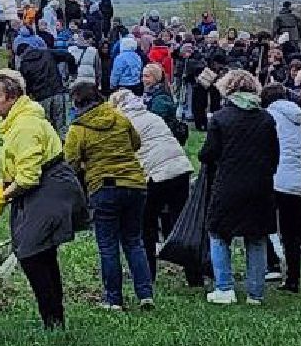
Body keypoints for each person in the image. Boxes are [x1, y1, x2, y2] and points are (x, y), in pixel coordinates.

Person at [0, 69, 88, 330]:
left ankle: (52, 319)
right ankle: (54, 320)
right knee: (41, 252)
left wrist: (4, 196)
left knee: (31, 252)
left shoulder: (25, 125)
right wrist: (3, 184)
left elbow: (29, 177)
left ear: (11, 96)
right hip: (39, 187)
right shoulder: (14, 120)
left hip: (50, 186)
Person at [64, 81, 154, 311]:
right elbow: (136, 143)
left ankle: (113, 299)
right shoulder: (120, 117)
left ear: (76, 103)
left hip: (104, 188)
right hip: (135, 184)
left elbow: (71, 164)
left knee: (108, 245)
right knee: (134, 241)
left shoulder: (78, 129)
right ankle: (145, 294)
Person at [198, 69, 278, 305]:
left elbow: (207, 154)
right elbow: (275, 155)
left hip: (229, 184)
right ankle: (256, 293)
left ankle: (224, 287)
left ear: (227, 90)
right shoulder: (266, 118)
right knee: (257, 237)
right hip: (260, 185)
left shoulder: (221, 118)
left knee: (218, 233)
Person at [112, 87, 193, 287]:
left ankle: (148, 274)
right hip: (180, 169)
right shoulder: (152, 116)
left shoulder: (123, 122)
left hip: (155, 176)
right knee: (184, 225)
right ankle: (195, 274)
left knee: (146, 226)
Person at [262, 82, 301, 293]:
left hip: (275, 178)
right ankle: (293, 278)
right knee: (292, 234)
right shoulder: (299, 118)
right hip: (297, 180)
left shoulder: (269, 116)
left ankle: (270, 263)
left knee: (264, 224)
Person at [14, 27, 69, 136]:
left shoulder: (24, 65)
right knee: (62, 126)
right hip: (58, 93)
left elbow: (26, 86)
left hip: (41, 97)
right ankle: (63, 149)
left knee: (46, 127)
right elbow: (67, 55)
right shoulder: (47, 53)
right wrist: (72, 72)